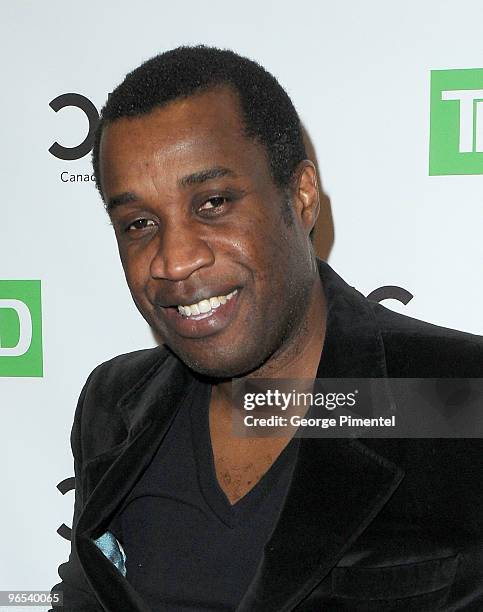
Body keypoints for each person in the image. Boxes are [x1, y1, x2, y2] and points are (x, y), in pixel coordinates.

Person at [50, 46, 483, 611]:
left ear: (301, 198)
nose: (173, 260)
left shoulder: (460, 397)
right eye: (139, 224)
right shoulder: (113, 406)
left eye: (212, 203)